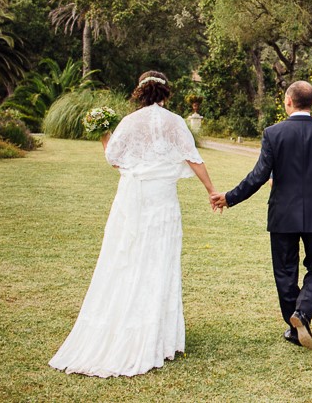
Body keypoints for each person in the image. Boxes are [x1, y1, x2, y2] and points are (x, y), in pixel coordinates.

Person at [49, 71, 217, 377]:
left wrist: (103, 131)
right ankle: (156, 335)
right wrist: (211, 191)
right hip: (162, 202)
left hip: (131, 200)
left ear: (140, 93)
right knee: (159, 261)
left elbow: (113, 158)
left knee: (125, 259)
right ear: (166, 94)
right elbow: (193, 159)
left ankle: (124, 324)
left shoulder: (128, 123)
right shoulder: (175, 122)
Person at [211, 81, 312, 350]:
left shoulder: (274, 133)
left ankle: (295, 323)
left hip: (283, 214)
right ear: (311, 103)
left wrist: (230, 197)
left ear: (288, 101)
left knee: (285, 271)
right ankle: (301, 315)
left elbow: (259, 176)